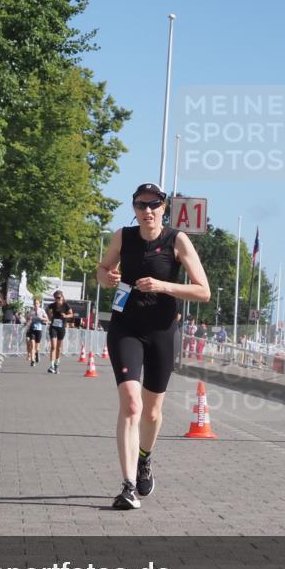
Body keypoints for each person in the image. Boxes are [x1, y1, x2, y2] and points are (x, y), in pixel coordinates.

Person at [96, 182, 210, 510]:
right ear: (133, 208)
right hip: (125, 327)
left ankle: (145, 458)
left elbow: (204, 291)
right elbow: (103, 270)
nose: (147, 211)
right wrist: (107, 277)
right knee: (132, 405)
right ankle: (128, 485)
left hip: (162, 330)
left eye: (153, 205)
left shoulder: (177, 240)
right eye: (140, 205)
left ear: (164, 207)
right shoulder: (124, 237)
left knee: (153, 410)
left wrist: (163, 285)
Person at [45, 290, 74, 374]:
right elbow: (47, 309)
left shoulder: (66, 305)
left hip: (61, 328)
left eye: (58, 297)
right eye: (55, 298)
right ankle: (51, 366)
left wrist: (66, 315)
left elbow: (71, 314)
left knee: (58, 347)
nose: (57, 299)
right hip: (53, 327)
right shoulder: (53, 305)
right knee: (53, 346)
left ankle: (57, 364)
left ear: (62, 297)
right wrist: (49, 316)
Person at [26, 299, 48, 366]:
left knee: (37, 346)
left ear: (39, 304)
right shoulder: (31, 311)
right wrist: (29, 319)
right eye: (35, 303)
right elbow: (27, 318)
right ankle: (32, 361)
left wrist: (41, 318)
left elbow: (47, 319)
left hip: (38, 329)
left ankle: (37, 353)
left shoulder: (42, 310)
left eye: (37, 303)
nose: (36, 305)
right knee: (32, 345)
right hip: (32, 329)